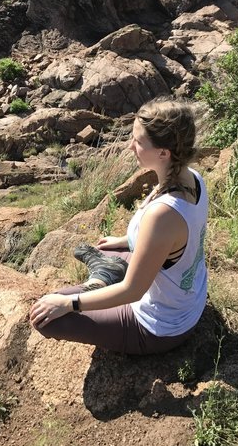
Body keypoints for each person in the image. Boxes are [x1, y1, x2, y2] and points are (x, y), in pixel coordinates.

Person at [29, 96, 208, 355]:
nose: (130, 146)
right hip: (187, 297)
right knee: (108, 252)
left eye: (138, 141)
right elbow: (176, 240)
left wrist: (69, 304)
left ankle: (105, 276)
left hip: (159, 326)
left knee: (46, 316)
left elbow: (133, 291)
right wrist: (126, 241)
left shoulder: (163, 215)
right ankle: (106, 271)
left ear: (163, 152)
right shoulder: (193, 179)